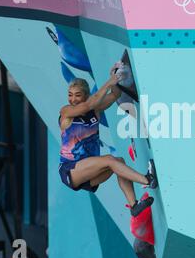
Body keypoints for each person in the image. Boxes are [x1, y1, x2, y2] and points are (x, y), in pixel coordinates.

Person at [58, 63, 157, 217]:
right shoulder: (66, 112)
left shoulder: (94, 111)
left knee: (119, 162)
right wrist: (110, 81)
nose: (73, 99)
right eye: (70, 95)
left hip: (88, 171)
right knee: (110, 160)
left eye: (77, 95)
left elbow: (115, 95)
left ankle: (134, 206)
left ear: (85, 95)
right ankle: (147, 180)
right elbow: (87, 106)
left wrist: (115, 77)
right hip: (70, 169)